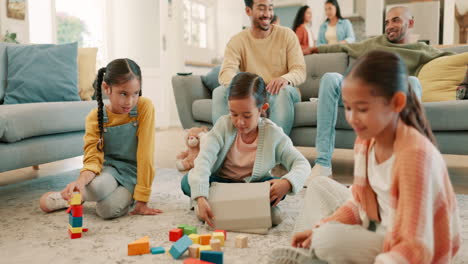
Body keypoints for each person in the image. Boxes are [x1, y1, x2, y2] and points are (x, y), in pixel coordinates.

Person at [270, 50, 461, 264]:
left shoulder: (415, 157)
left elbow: (417, 248)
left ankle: (315, 255)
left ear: (397, 103)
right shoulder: (366, 141)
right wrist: (319, 229)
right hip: (378, 225)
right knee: (318, 188)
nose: (352, 119)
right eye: (348, 108)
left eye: (362, 109)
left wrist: (327, 236)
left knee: (328, 240)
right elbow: (360, 203)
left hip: (411, 248)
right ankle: (311, 254)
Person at [307, 6, 454, 180]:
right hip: (359, 98)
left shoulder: (422, 49)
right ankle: (323, 163)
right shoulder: (376, 42)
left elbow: (453, 59)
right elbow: (344, 47)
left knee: (413, 82)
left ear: (411, 23)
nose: (390, 25)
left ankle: (406, 160)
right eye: (387, 22)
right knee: (331, 78)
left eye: (396, 20)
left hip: (390, 101)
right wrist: (314, 49)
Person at [181, 72, 311, 228]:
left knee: (275, 188)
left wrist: (287, 183)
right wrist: (201, 197)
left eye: (247, 115)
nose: (240, 122)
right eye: (234, 114)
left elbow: (302, 164)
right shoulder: (223, 126)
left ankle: (223, 206)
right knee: (187, 182)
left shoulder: (273, 134)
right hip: (221, 183)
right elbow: (203, 160)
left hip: (252, 186)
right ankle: (253, 209)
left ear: (262, 109)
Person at [39, 58, 162, 219]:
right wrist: (81, 182)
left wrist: (142, 198)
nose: (129, 101)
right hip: (110, 170)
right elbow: (93, 158)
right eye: (123, 94)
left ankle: (80, 196)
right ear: (106, 88)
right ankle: (74, 196)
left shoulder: (144, 107)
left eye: (135, 94)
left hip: (135, 175)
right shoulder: (95, 117)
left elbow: (146, 154)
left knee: (107, 211)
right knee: (97, 187)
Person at [212, 0, 306, 136]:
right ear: (248, 11)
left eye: (270, 8)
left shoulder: (287, 35)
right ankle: (224, 150)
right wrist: (247, 87)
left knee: (282, 91)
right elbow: (226, 72)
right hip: (252, 92)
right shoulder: (237, 41)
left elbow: (299, 70)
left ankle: (272, 151)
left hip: (281, 91)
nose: (267, 14)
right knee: (219, 92)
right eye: (262, 9)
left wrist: (284, 78)